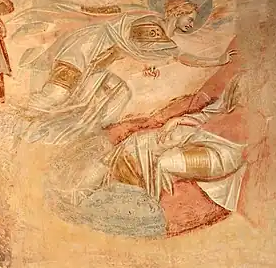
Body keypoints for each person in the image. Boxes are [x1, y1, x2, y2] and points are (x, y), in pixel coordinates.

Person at [2, 0, 236, 146]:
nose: (191, 24)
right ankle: (10, 119)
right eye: (189, 18)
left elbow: (138, 50)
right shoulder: (153, 27)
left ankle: (84, 132)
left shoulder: (160, 35)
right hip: (85, 50)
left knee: (119, 93)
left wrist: (149, 65)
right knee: (57, 95)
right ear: (176, 12)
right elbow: (179, 56)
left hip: (98, 63)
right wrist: (217, 60)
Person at [103, 74, 247, 211]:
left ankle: (149, 205)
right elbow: (206, 116)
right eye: (238, 91)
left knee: (163, 162)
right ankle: (106, 183)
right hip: (199, 135)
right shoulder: (229, 100)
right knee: (140, 141)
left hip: (221, 155)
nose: (240, 95)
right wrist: (178, 120)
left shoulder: (254, 120)